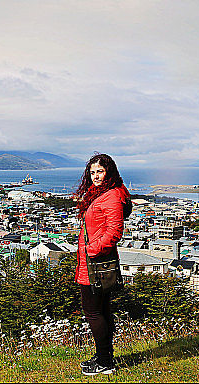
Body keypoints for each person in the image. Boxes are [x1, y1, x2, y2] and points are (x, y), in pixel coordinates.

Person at [75, 153, 132, 376]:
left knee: (93, 312)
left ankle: (105, 362)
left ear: (109, 172)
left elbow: (114, 231)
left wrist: (91, 249)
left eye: (100, 171)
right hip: (95, 262)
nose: (96, 176)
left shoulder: (110, 196)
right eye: (92, 172)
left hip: (95, 263)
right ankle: (104, 357)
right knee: (102, 310)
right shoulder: (104, 193)